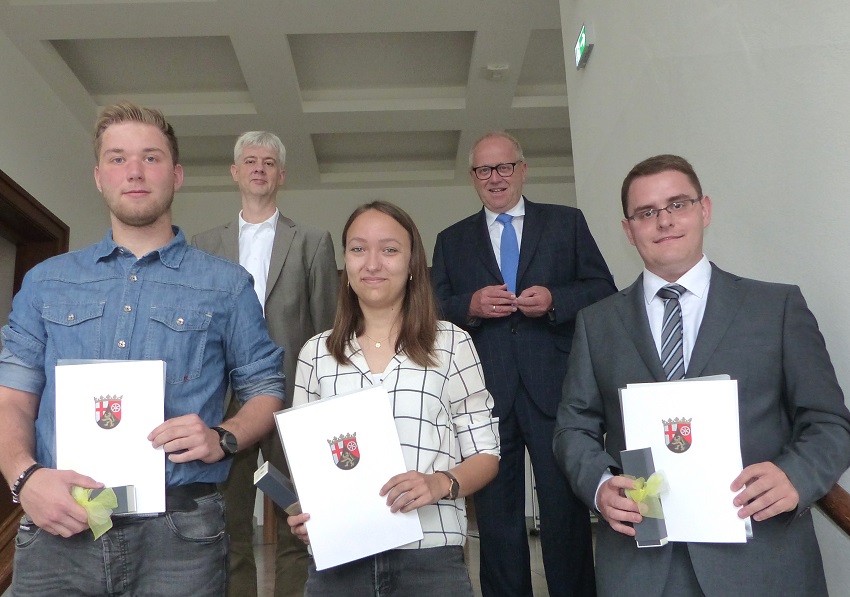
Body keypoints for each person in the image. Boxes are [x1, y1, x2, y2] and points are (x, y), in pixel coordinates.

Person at [0, 102, 285, 596]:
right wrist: (24, 479)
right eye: (117, 158)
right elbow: (12, 399)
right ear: (98, 176)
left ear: (176, 175)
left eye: (151, 158)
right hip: (59, 526)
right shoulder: (46, 282)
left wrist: (225, 435)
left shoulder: (227, 285)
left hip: (181, 532)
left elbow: (266, 389)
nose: (134, 171)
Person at [553, 154, 850, 596]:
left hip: (762, 560)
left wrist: (797, 477)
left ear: (704, 210)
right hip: (643, 563)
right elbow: (573, 427)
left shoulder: (777, 309)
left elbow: (829, 422)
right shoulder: (597, 323)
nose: (665, 221)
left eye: (678, 204)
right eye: (647, 212)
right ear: (628, 229)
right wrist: (599, 486)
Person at [431, 131, 615, 596]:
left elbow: (601, 290)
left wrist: (555, 300)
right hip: (484, 396)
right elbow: (432, 310)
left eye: (504, 167)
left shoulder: (565, 223)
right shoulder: (451, 240)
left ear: (523, 169)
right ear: (473, 178)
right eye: (484, 170)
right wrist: (469, 305)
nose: (496, 178)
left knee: (564, 511)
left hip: (554, 388)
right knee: (496, 517)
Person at [287, 200, 500, 596]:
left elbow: (487, 455)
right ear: (345, 264)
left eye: (389, 249)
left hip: (430, 559)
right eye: (357, 249)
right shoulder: (316, 354)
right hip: (340, 561)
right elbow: (310, 468)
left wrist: (440, 484)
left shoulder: (453, 344)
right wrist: (304, 513)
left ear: (412, 263)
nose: (372, 263)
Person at [193, 131, 338, 597]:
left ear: (282, 175)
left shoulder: (312, 242)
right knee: (229, 522)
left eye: (269, 162)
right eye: (250, 160)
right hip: (227, 405)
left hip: (294, 399)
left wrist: (323, 403)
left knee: (298, 519)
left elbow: (325, 329)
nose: (259, 167)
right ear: (235, 172)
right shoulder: (203, 244)